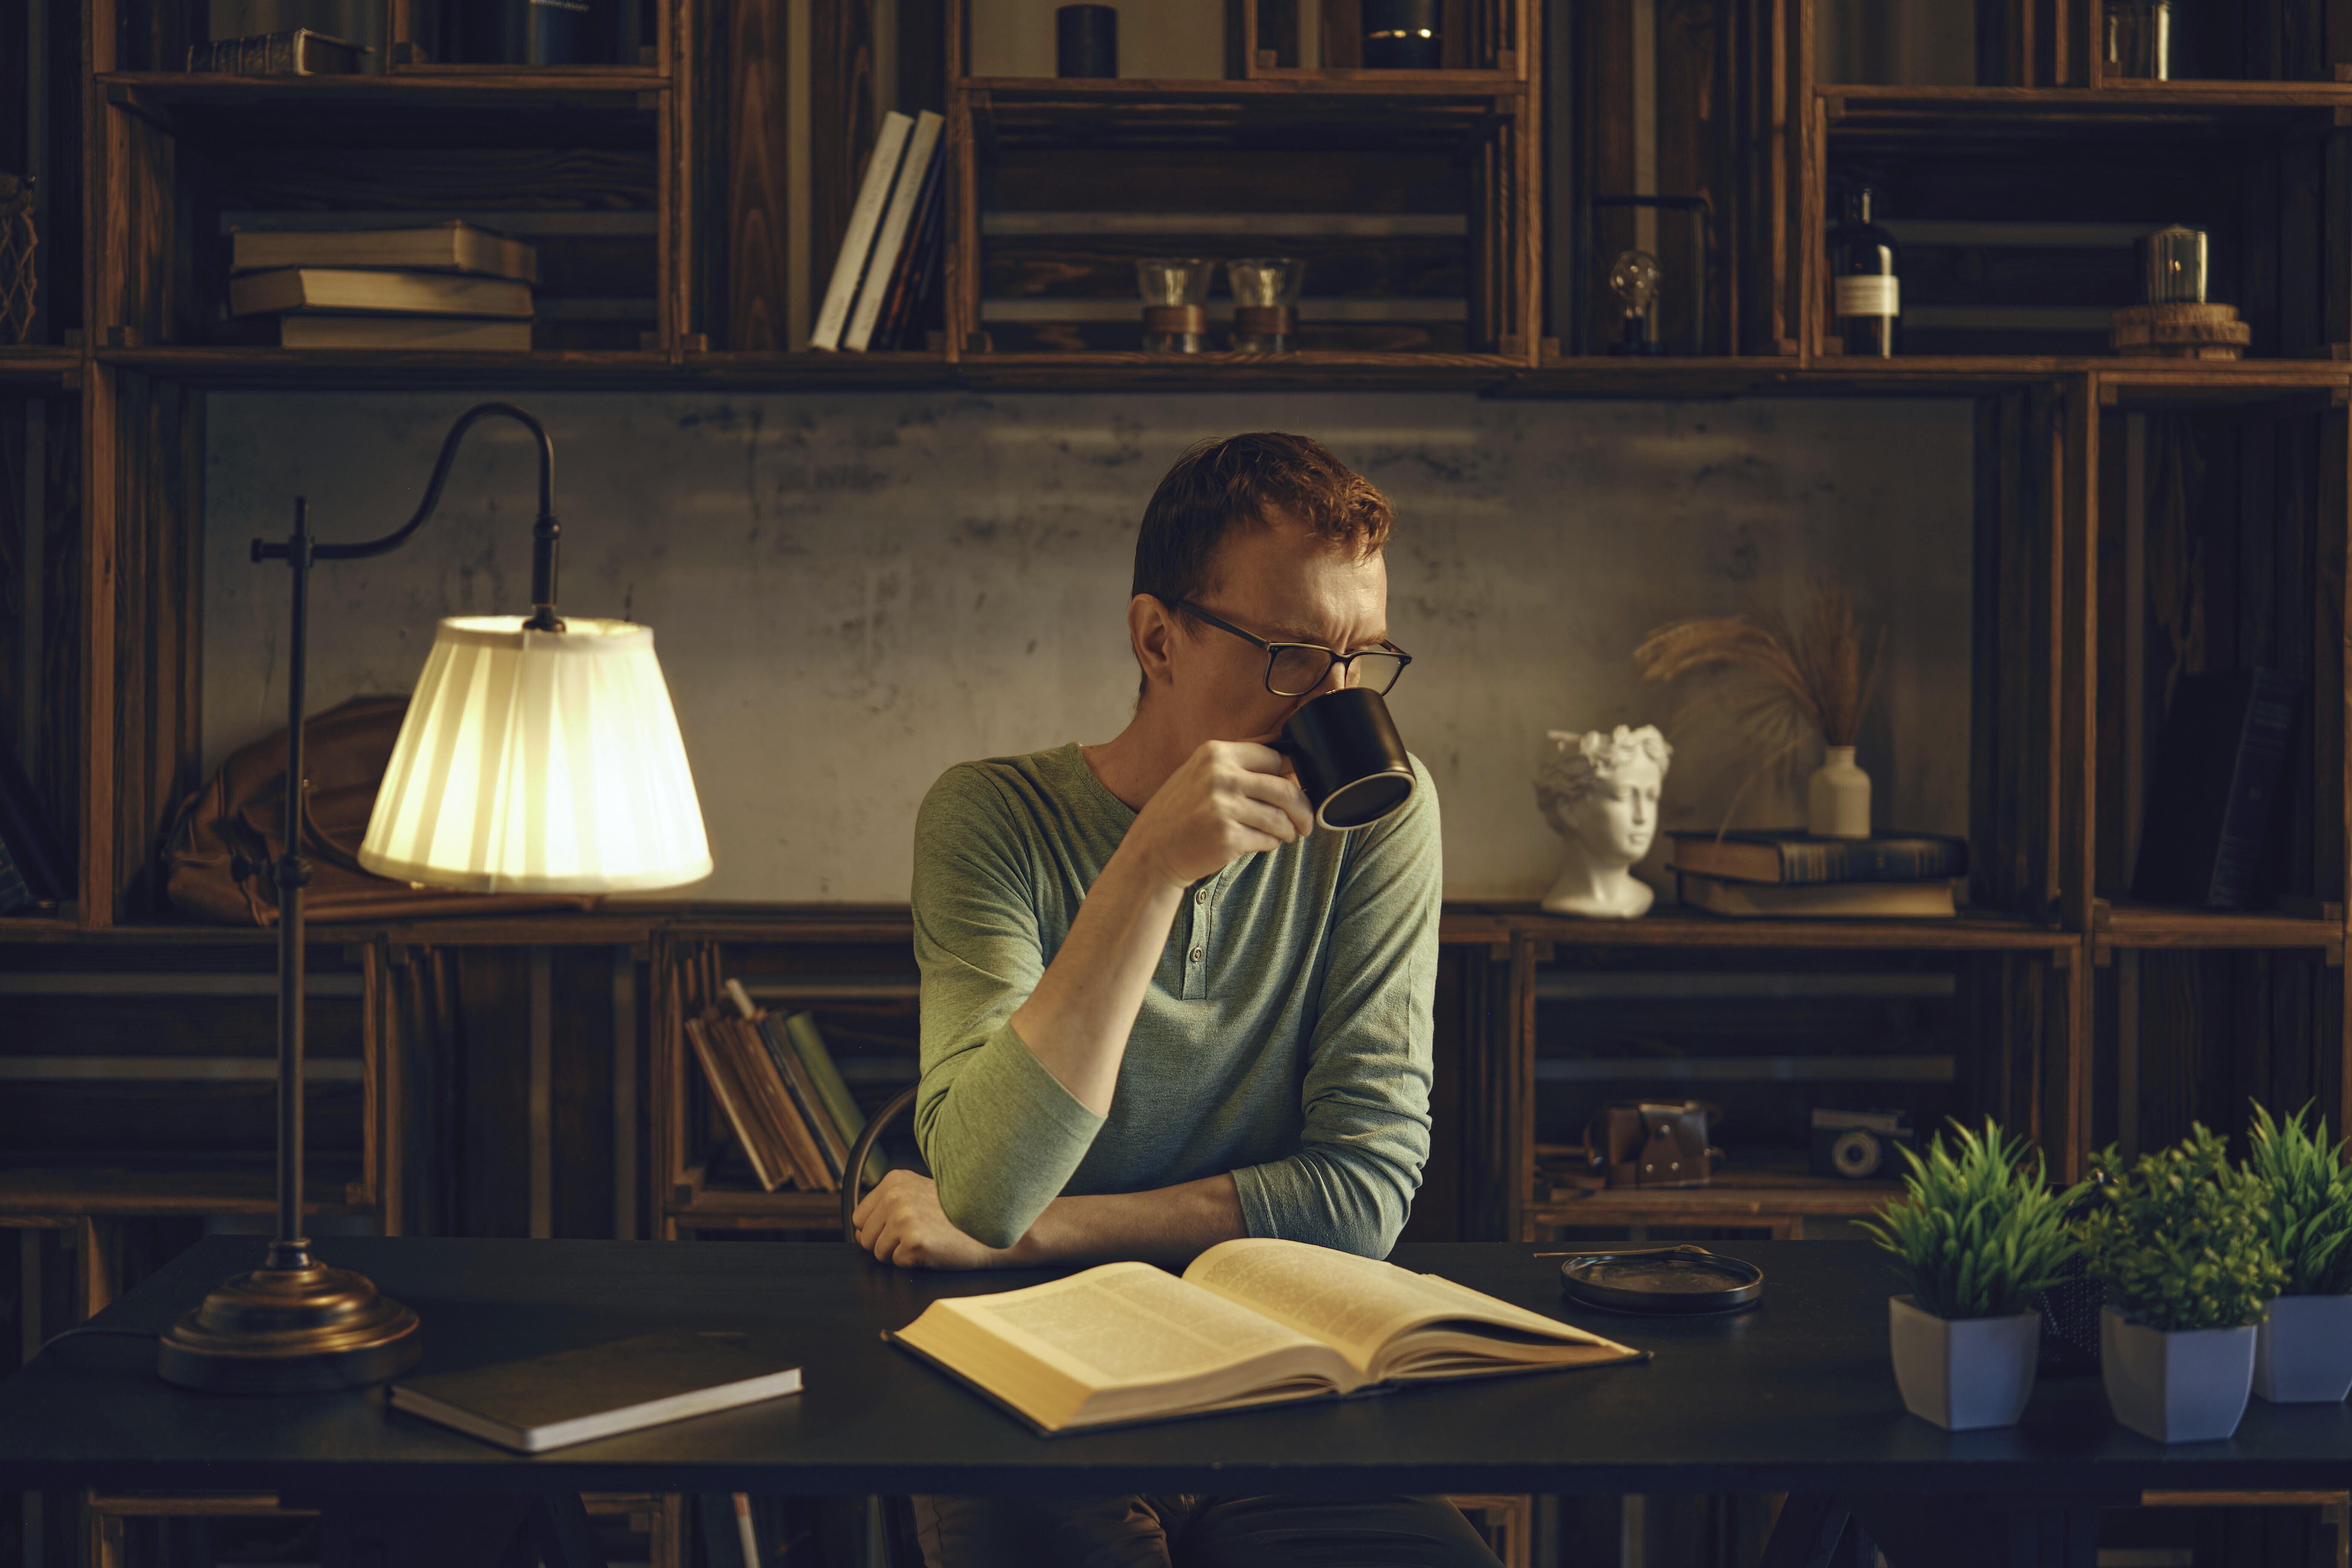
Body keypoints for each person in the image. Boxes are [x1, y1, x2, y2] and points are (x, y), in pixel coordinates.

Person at [852, 432, 1497, 1568]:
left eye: (1363, 658)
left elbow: (1364, 1194)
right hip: (1029, 1380)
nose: (1333, 701)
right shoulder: (991, 821)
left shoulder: (1381, 816)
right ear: (1158, 637)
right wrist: (1148, 872)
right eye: (1295, 656)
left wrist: (1044, 1234)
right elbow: (992, 1183)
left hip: (1285, 1383)